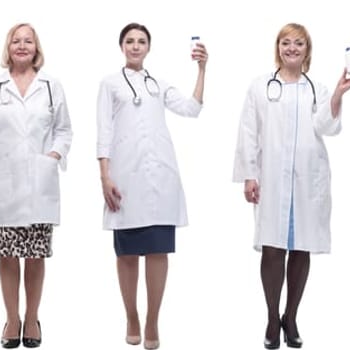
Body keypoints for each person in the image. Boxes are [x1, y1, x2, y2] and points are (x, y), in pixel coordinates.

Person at [232, 22, 350, 350]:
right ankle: (273, 319)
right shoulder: (260, 86)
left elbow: (327, 128)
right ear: (278, 48)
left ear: (307, 50)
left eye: (298, 44)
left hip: (307, 179)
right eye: (286, 43)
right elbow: (248, 131)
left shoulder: (315, 87)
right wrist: (249, 175)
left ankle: (292, 316)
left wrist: (339, 94)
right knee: (273, 249)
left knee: (301, 248)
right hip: (272, 179)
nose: (292, 48)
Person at [0, 23, 73, 349]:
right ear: (7, 48)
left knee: (35, 256)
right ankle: (12, 318)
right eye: (16, 41)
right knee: (8, 255)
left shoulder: (52, 86)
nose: (22, 46)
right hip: (5, 184)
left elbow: (64, 130)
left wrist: (53, 155)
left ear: (37, 48)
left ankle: (33, 317)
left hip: (40, 182)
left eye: (28, 41)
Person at [98, 22, 204, 350]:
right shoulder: (110, 84)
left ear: (148, 47)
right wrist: (105, 176)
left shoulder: (158, 84)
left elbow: (192, 109)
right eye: (129, 41)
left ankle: (152, 319)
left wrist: (202, 68)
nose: (135, 46)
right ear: (121, 46)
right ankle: (131, 315)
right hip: (125, 179)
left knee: (158, 252)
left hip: (160, 179)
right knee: (128, 254)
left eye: (141, 41)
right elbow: (103, 131)